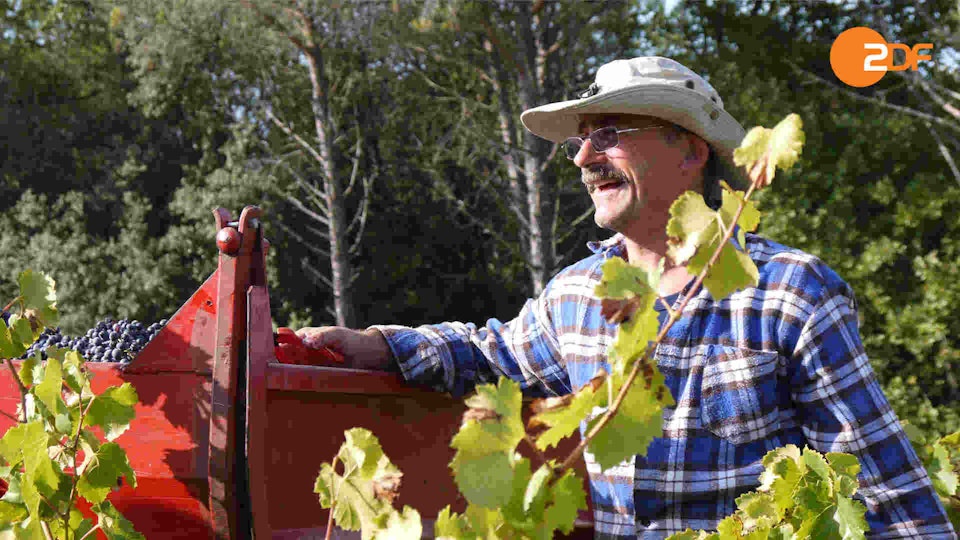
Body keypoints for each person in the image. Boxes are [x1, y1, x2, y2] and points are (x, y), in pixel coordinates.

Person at [296, 57, 956, 539]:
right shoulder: (578, 296)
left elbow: (887, 490)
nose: (583, 156)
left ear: (690, 151)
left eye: (609, 132)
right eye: (584, 138)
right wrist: (377, 343)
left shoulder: (789, 294)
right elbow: (489, 353)